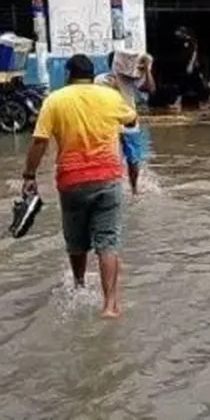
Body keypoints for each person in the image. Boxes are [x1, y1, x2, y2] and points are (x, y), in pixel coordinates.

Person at [20, 54, 137, 319]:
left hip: (72, 182)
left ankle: (79, 285)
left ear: (69, 74)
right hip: (107, 178)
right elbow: (131, 120)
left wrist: (29, 175)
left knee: (76, 242)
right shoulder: (108, 97)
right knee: (108, 242)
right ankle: (109, 306)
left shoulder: (55, 100)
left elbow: (39, 142)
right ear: (91, 73)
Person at [94, 51, 155, 195]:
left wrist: (146, 70)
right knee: (108, 157)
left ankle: (134, 189)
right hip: (108, 123)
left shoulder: (130, 79)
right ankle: (111, 188)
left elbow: (150, 88)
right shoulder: (101, 79)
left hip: (129, 122)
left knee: (133, 160)